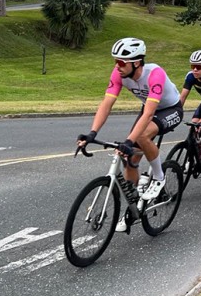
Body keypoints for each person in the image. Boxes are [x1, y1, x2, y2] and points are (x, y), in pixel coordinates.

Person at [77, 38, 183, 232]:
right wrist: (93, 132)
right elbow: (107, 104)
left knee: (141, 137)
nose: (117, 66)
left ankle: (159, 178)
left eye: (121, 62)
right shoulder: (119, 73)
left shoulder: (155, 74)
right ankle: (134, 207)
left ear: (136, 62)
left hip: (170, 109)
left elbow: (149, 113)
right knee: (129, 158)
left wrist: (129, 140)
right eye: (115, 61)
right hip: (148, 108)